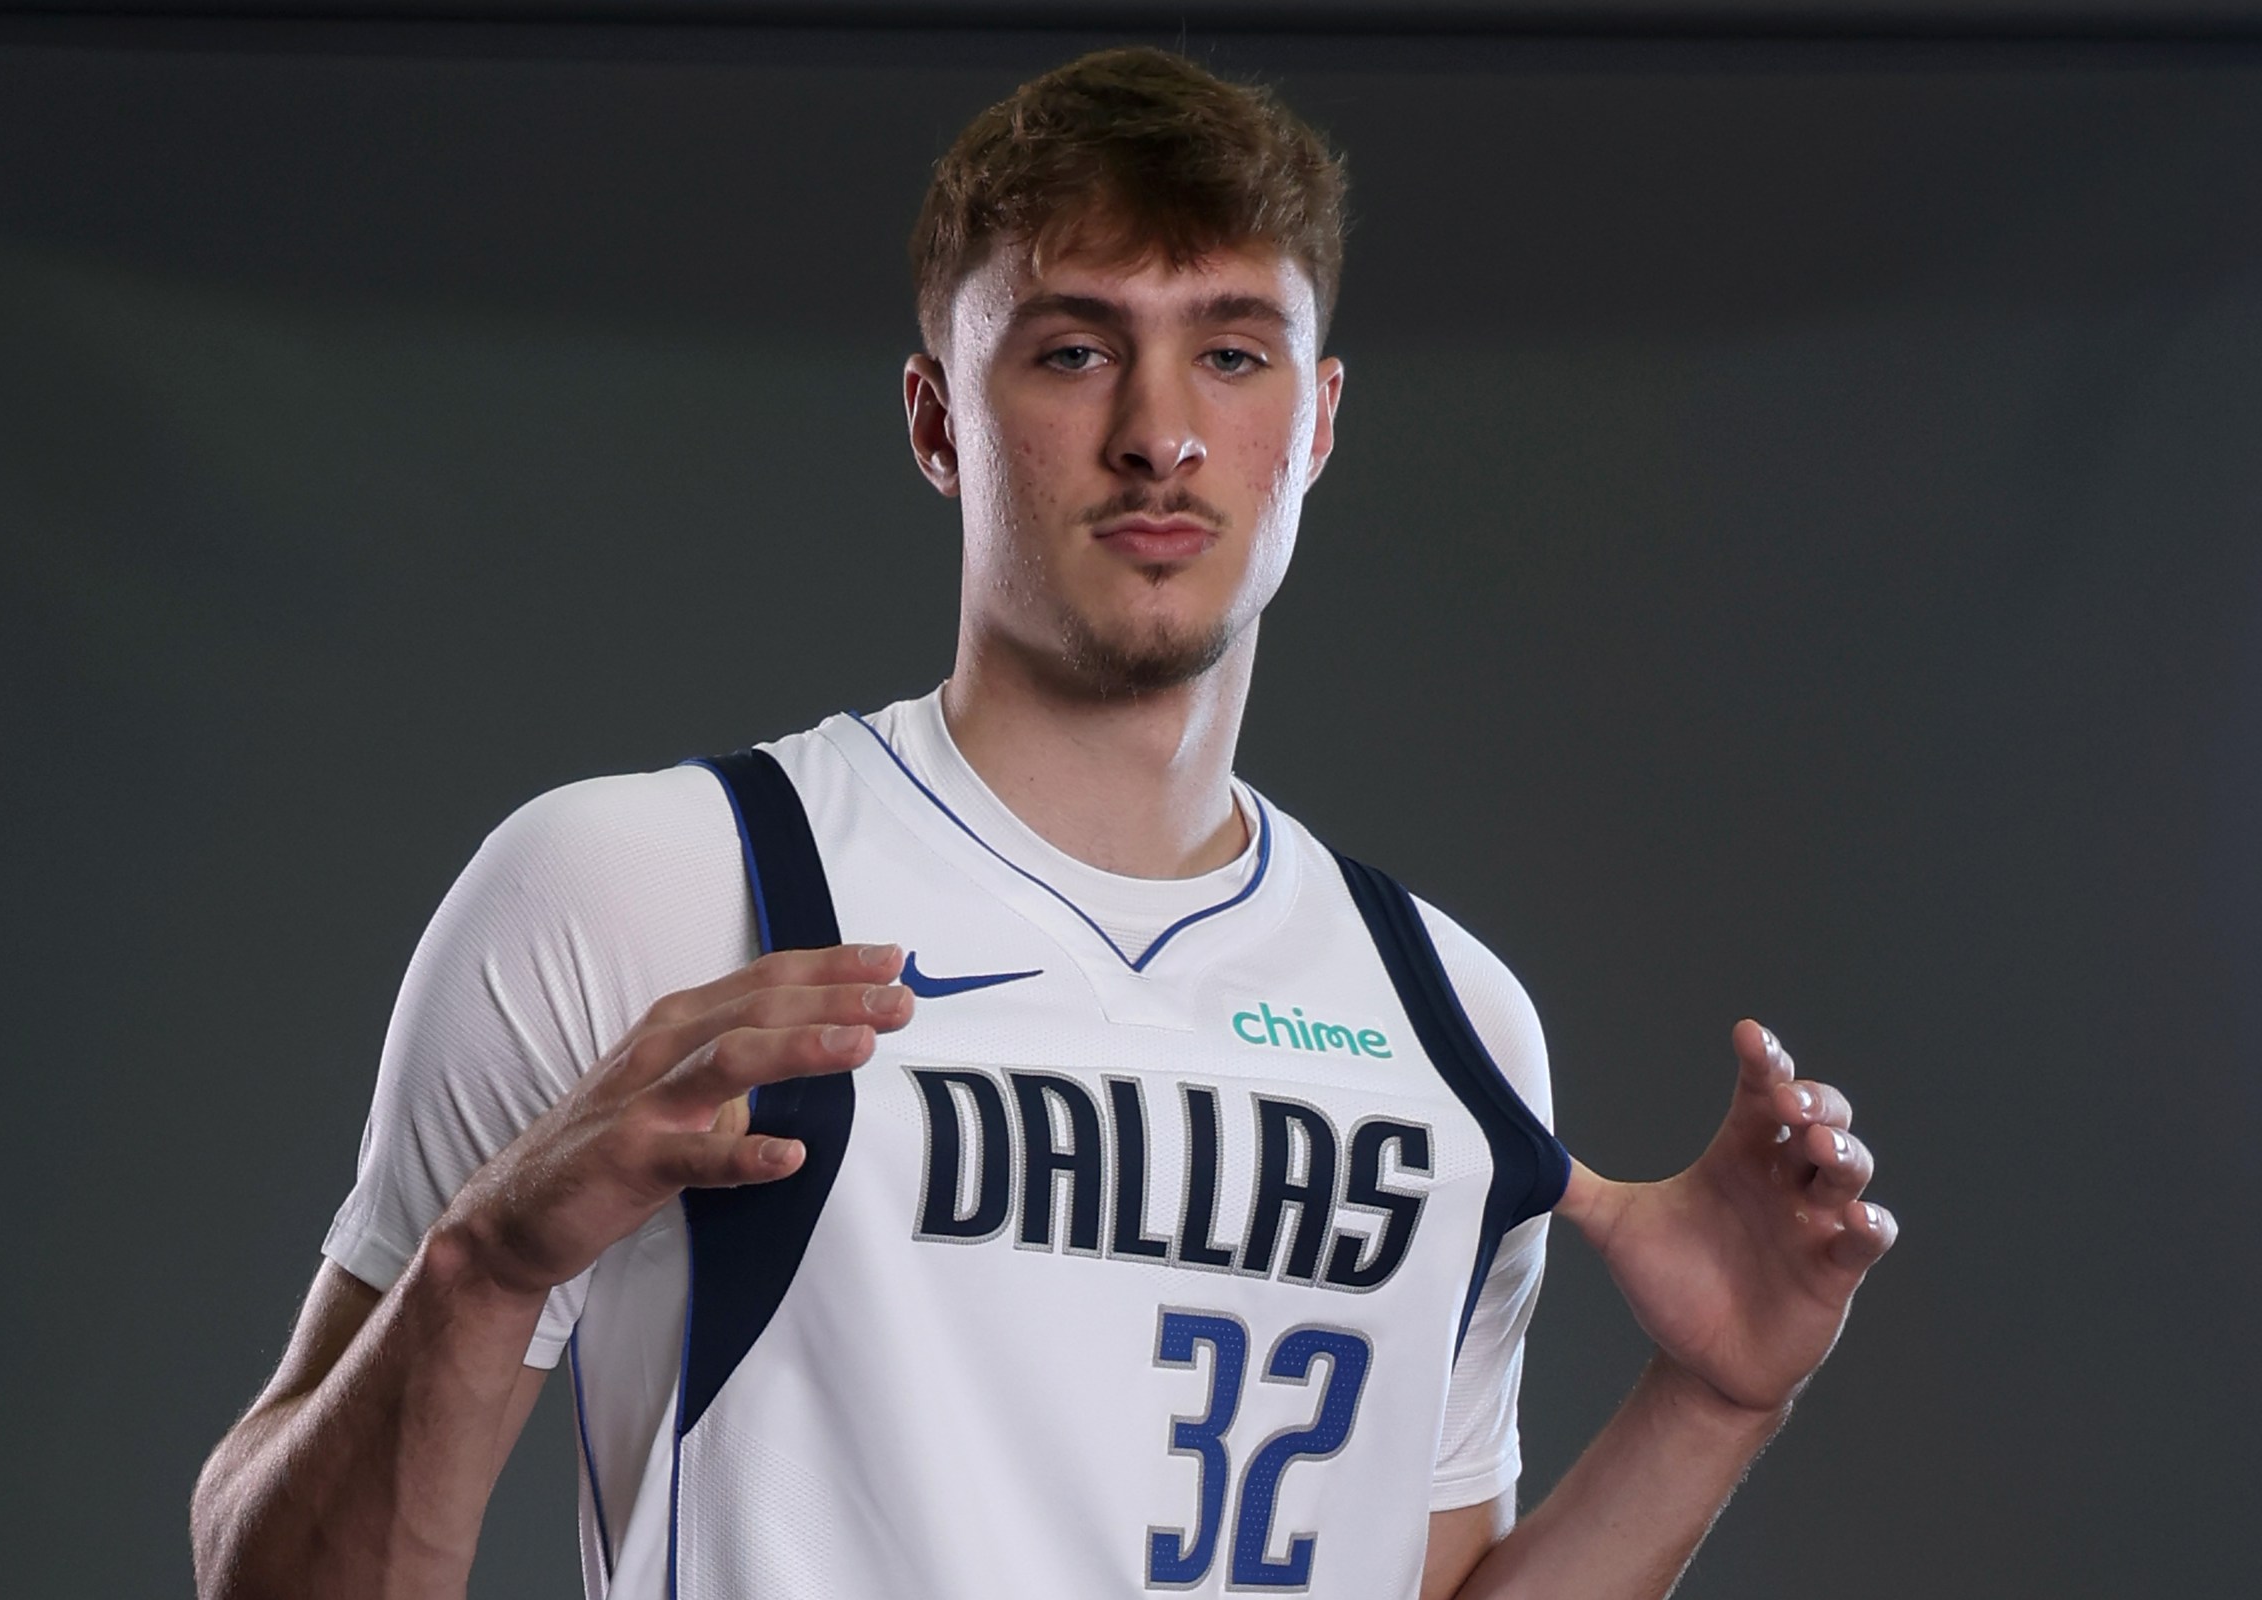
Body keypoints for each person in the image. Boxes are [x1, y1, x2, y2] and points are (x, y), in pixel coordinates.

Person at [191, 46, 1894, 1600]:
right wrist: (484, 1270)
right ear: (940, 418)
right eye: (1074, 350)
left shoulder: (1455, 1022)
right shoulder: (650, 891)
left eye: (1233, 353)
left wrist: (1715, 1401)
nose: (1159, 435)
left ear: (1314, 424)